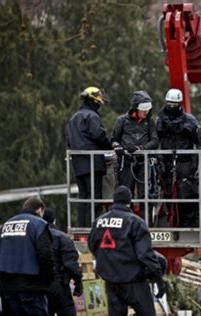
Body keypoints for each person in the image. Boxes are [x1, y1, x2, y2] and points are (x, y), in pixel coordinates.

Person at [88, 185, 166, 316]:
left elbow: (93, 246)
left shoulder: (98, 222)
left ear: (113, 200)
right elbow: (145, 255)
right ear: (130, 201)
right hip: (134, 282)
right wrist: (159, 279)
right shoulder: (136, 222)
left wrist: (109, 262)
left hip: (112, 282)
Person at [0, 197, 54, 316]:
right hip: (32, 286)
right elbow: (45, 255)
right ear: (40, 210)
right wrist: (47, 280)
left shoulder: (6, 225)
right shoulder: (39, 224)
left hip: (8, 287)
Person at [67, 86, 113, 227]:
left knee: (84, 197)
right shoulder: (91, 116)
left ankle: (82, 228)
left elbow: (69, 141)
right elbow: (98, 136)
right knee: (95, 198)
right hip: (93, 163)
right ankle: (92, 228)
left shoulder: (74, 118)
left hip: (78, 165)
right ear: (94, 100)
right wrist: (112, 146)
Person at [111, 90, 159, 220]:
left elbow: (154, 141)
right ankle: (126, 222)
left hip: (143, 162)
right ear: (135, 108)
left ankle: (145, 223)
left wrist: (140, 148)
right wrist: (119, 148)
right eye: (143, 109)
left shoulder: (150, 122)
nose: (146, 112)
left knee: (145, 195)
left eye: (147, 109)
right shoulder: (122, 121)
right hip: (126, 162)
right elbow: (114, 139)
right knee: (126, 193)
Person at [156, 89, 198, 227]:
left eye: (174, 104)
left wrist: (196, 164)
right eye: (169, 104)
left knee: (185, 194)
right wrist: (160, 159)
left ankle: (186, 223)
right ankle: (171, 221)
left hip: (184, 162)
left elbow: (199, 142)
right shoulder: (160, 120)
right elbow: (156, 141)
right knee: (167, 192)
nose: (171, 107)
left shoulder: (189, 121)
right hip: (166, 162)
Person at [43, 208, 83, 316]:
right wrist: (78, 282)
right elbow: (71, 264)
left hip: (40, 285)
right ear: (54, 220)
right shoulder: (61, 237)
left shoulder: (35, 236)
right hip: (59, 285)